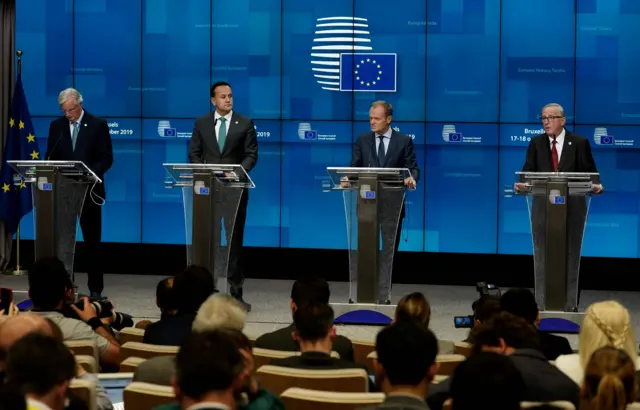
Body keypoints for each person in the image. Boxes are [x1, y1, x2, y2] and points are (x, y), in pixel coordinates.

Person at [514, 103, 601, 312]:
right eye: (543, 118)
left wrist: (596, 186)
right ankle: (541, 305)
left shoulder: (579, 143)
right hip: (542, 210)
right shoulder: (536, 143)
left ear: (562, 120)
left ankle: (569, 305)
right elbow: (528, 174)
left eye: (550, 118)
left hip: (573, 210)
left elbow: (590, 175)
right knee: (542, 256)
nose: (546, 122)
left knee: (571, 256)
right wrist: (522, 185)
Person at [188, 81, 258, 312]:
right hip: (208, 193)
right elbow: (194, 153)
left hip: (234, 192)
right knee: (210, 241)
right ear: (213, 100)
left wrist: (235, 173)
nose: (228, 100)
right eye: (223, 96)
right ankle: (206, 292)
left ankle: (235, 293)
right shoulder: (201, 122)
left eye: (230, 96)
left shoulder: (245, 123)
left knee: (233, 243)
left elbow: (251, 155)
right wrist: (205, 173)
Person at [45, 88, 113, 300]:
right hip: (64, 191)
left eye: (71, 110)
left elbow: (106, 158)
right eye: (64, 111)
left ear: (80, 104)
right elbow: (51, 156)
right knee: (64, 241)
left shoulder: (97, 124)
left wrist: (91, 172)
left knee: (92, 242)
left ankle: (95, 289)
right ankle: (63, 287)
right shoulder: (56, 126)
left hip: (88, 191)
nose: (68, 115)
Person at [349, 101, 419, 304]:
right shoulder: (363, 140)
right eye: (370, 118)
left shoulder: (403, 140)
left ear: (389, 119)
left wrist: (411, 178)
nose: (372, 122)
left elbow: (413, 168)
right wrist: (348, 178)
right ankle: (364, 294)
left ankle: (383, 296)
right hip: (366, 203)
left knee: (388, 251)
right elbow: (354, 168)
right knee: (365, 251)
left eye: (376, 118)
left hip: (392, 204)